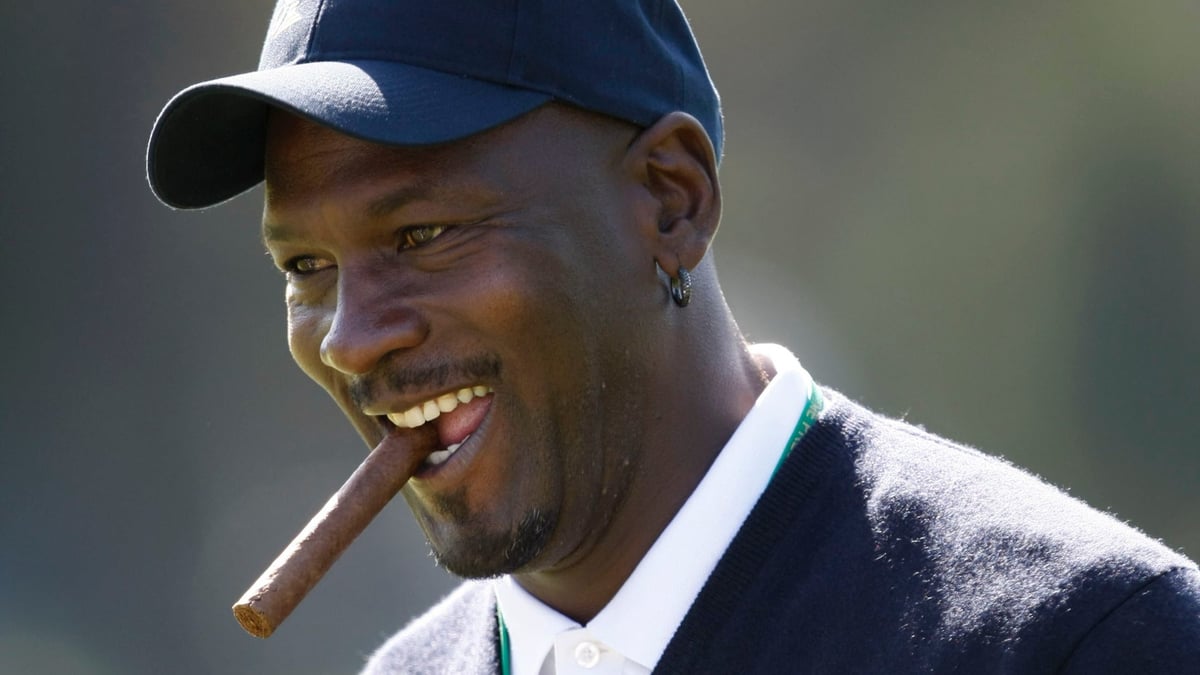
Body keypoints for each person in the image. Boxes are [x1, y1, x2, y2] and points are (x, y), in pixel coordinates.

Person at [147, 1, 1200, 673]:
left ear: (671, 200)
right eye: (306, 268)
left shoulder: (1080, 640)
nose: (350, 340)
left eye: (422, 233)